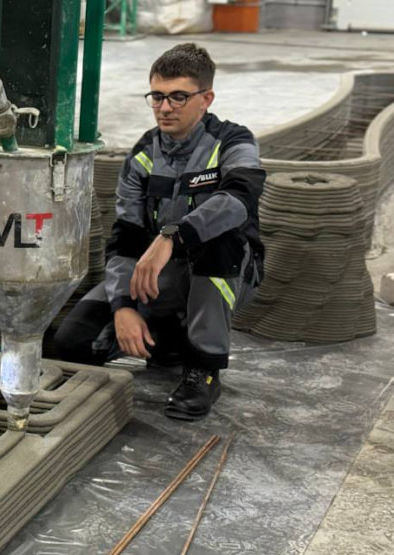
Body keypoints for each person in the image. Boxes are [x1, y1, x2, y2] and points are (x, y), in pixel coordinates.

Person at [54, 43, 265, 420]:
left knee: (222, 239)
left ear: (206, 98)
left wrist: (171, 236)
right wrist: (123, 307)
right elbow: (125, 237)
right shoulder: (143, 155)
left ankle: (205, 368)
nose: (165, 108)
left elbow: (239, 199)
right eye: (158, 97)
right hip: (160, 273)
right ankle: (168, 340)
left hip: (223, 271)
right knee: (72, 344)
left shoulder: (233, 142)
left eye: (179, 97)